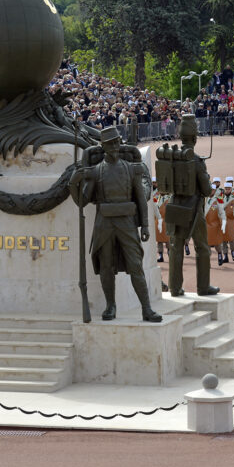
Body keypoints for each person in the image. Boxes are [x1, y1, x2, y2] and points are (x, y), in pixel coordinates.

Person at [69, 127, 161, 322]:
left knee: (136, 265)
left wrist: (144, 225)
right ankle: (111, 306)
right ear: (103, 147)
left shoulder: (131, 168)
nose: (115, 147)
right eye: (111, 144)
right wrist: (73, 183)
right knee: (106, 267)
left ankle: (146, 308)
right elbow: (82, 201)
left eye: (117, 142)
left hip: (127, 221)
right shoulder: (95, 172)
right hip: (105, 223)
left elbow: (141, 200)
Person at [163, 115, 220, 297]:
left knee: (175, 248)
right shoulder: (196, 160)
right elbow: (206, 190)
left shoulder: (172, 157)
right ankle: (203, 287)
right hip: (193, 209)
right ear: (194, 139)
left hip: (174, 206)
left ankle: (175, 287)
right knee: (202, 248)